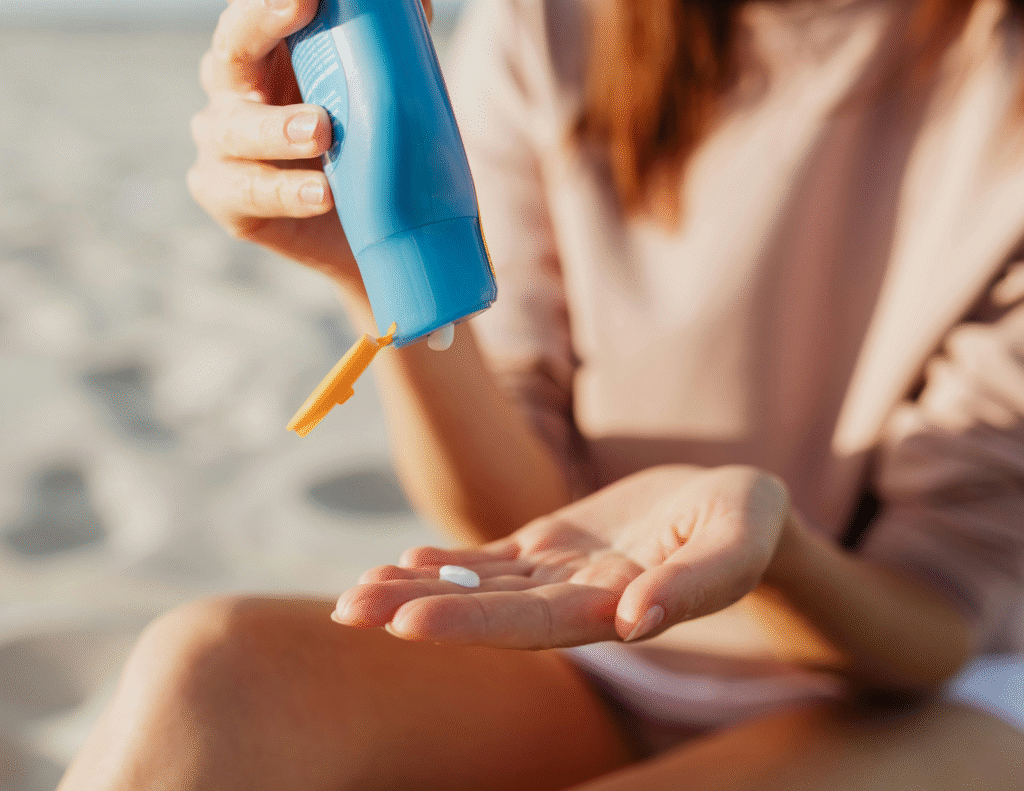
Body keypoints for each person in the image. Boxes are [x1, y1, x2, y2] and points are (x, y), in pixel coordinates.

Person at [58, 0, 1024, 787]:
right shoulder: (553, 24)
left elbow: (936, 623)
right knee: (214, 675)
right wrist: (375, 268)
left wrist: (776, 554)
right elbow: (515, 514)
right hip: (601, 640)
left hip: (923, 687)